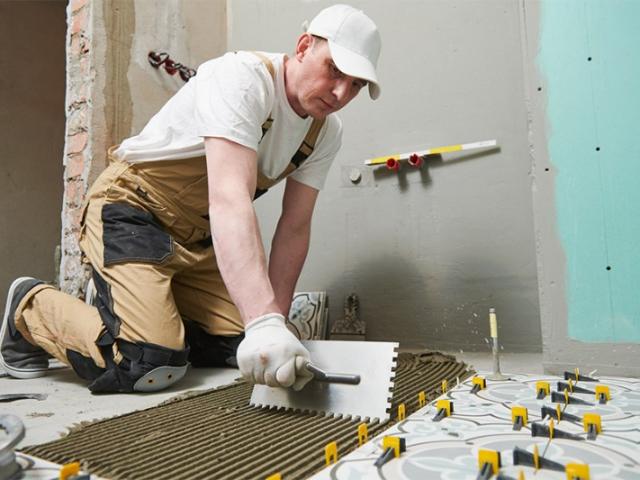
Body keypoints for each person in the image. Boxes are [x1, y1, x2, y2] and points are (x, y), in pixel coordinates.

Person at [0, 4, 381, 393]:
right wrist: (263, 320)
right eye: (335, 70)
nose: (340, 93)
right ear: (304, 47)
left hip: (196, 240)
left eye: (355, 85)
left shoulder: (324, 133)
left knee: (242, 345)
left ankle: (143, 304)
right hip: (132, 212)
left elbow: (294, 228)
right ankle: (30, 307)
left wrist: (275, 328)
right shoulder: (243, 79)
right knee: (151, 362)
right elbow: (230, 200)